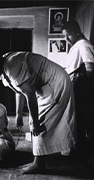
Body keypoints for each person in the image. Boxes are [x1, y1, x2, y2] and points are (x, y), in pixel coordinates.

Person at [0, 52, 76, 174]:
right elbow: (20, 91)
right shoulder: (4, 71)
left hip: (55, 82)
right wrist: (18, 115)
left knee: (39, 122)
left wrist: (34, 122)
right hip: (47, 84)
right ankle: (49, 154)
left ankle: (39, 164)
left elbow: (29, 93)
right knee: (37, 121)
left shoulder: (11, 66)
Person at [62, 20, 94, 157]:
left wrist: (82, 85)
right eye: (64, 36)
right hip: (75, 87)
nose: (66, 39)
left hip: (81, 89)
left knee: (80, 120)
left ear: (76, 31)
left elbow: (90, 68)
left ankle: (80, 150)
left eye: (68, 35)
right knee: (75, 119)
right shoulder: (76, 46)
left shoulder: (84, 45)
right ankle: (77, 147)